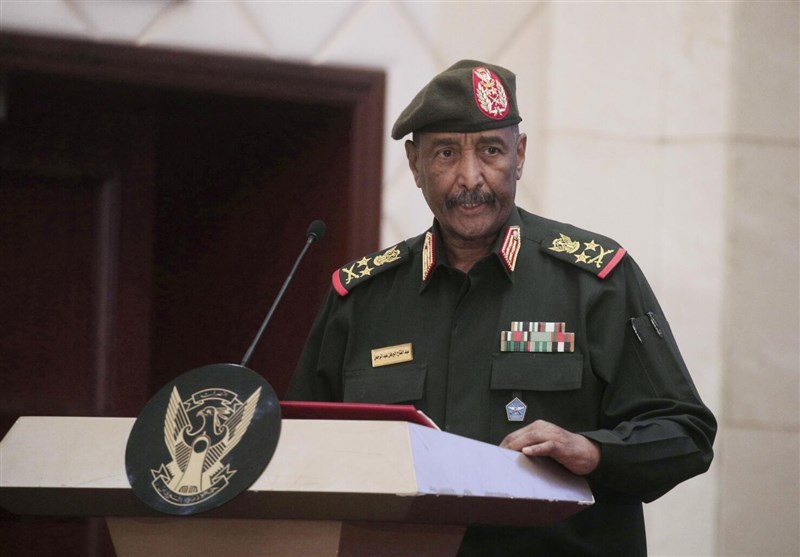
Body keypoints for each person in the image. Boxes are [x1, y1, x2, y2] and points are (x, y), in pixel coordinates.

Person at [287, 59, 716, 556]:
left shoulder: (594, 281)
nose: (470, 178)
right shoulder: (361, 298)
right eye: (446, 153)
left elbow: (685, 433)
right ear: (415, 164)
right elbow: (301, 453)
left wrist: (594, 451)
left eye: (491, 150)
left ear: (520, 155)